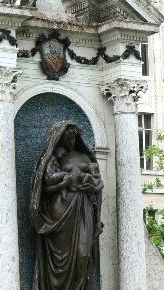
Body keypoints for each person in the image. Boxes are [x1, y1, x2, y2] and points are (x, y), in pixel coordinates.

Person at [30, 121, 103, 290]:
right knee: (60, 258)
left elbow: (98, 185)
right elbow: (43, 188)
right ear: (59, 137)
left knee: (83, 254)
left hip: (84, 208)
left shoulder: (85, 157)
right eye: (67, 136)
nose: (71, 139)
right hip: (60, 212)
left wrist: (92, 184)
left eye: (74, 136)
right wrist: (63, 184)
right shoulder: (54, 158)